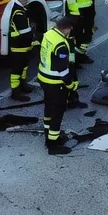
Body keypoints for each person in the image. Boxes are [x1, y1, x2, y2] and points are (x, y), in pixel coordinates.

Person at [37, 17, 78, 155]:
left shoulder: (49, 34)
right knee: (57, 114)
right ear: (65, 28)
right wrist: (71, 85)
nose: (71, 31)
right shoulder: (61, 44)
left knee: (48, 110)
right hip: (55, 83)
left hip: (43, 78)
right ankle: (53, 145)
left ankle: (48, 138)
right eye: (70, 28)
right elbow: (62, 69)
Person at [6, 0, 36, 101]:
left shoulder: (19, 8)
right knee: (17, 70)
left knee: (24, 66)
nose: (27, 1)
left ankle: (23, 85)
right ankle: (15, 92)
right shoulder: (18, 12)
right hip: (18, 45)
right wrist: (34, 40)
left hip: (22, 45)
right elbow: (25, 32)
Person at [65, 0, 97, 65]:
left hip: (86, 12)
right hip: (79, 14)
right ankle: (76, 59)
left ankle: (80, 56)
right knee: (79, 37)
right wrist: (76, 15)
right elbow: (71, 0)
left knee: (87, 35)